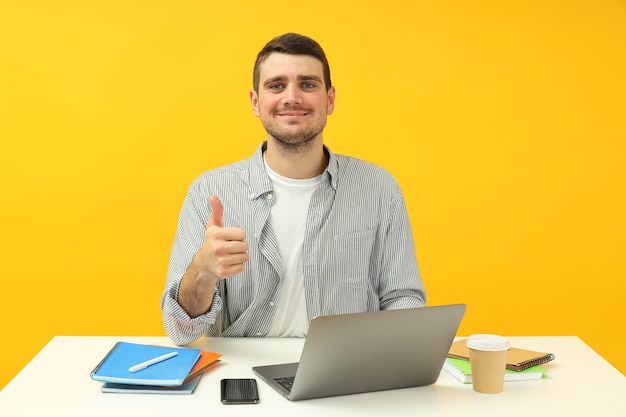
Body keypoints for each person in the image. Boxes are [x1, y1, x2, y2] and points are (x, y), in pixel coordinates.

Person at [160, 33, 426, 346]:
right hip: (242, 374)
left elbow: (403, 298)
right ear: (256, 103)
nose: (292, 97)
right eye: (276, 85)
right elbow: (181, 332)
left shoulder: (379, 188)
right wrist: (202, 271)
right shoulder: (210, 191)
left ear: (330, 99)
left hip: (345, 371)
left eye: (308, 84)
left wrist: (392, 359)